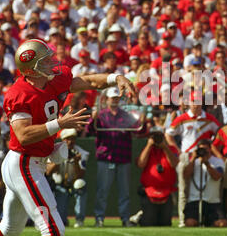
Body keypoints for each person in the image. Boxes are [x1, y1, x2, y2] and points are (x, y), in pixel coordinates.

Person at [0, 38, 136, 236]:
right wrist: (59, 125)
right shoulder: (20, 94)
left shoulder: (55, 80)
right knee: (53, 229)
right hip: (24, 162)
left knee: (10, 229)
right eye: (44, 61)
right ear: (31, 70)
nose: (51, 62)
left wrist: (116, 78)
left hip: (29, 162)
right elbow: (23, 135)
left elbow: (88, 81)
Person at [86, 86, 145, 228]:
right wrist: (92, 119)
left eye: (117, 98)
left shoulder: (126, 115)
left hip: (123, 157)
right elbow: (89, 131)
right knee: (102, 192)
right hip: (106, 158)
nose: (114, 101)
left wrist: (143, 121)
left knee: (124, 192)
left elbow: (139, 131)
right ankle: (99, 219)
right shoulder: (100, 115)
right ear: (106, 100)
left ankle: (125, 219)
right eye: (113, 98)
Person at [165, 92, 221, 227]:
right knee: (183, 188)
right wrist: (178, 150)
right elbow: (168, 134)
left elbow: (219, 134)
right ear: (188, 103)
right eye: (193, 101)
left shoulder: (210, 119)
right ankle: (183, 219)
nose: (195, 104)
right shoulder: (182, 118)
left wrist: (212, 150)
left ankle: (206, 217)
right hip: (188, 154)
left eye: (198, 101)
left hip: (205, 156)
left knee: (207, 187)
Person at [135, 130, 179, 226]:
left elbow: (174, 163)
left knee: (165, 223)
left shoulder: (171, 149)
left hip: (166, 192)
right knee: (149, 222)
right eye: (154, 137)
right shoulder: (147, 149)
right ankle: (141, 216)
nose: (156, 140)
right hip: (149, 191)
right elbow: (141, 163)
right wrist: (149, 145)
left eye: (159, 137)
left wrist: (165, 147)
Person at [47, 128, 90, 228]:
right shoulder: (54, 151)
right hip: (60, 185)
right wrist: (60, 159)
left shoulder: (81, 153)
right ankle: (61, 219)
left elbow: (81, 175)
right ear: (63, 140)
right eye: (67, 139)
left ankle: (79, 219)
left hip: (74, 183)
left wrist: (75, 161)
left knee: (80, 184)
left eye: (73, 139)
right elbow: (48, 171)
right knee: (61, 221)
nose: (70, 142)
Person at [183, 139, 227, 227]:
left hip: (212, 201)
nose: (204, 152)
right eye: (201, 149)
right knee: (190, 223)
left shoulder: (218, 162)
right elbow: (186, 175)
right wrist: (193, 159)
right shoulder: (193, 162)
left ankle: (209, 222)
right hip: (195, 200)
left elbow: (217, 177)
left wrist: (207, 163)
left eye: (206, 149)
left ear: (210, 149)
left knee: (222, 224)